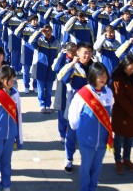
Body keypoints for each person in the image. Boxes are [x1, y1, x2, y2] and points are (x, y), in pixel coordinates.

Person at [68, 62, 114, 191]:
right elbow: (74, 116)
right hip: (87, 139)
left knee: (97, 166)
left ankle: (93, 187)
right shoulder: (83, 94)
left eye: (105, 76)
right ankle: (84, 188)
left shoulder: (108, 92)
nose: (103, 79)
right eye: (100, 76)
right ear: (93, 77)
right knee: (86, 166)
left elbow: (111, 111)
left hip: (102, 140)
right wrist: (80, 132)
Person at [57, 42, 93, 174]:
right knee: (71, 134)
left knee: (88, 135)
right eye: (85, 52)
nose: (87, 55)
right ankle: (68, 158)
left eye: (89, 52)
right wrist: (71, 64)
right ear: (78, 53)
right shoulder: (73, 67)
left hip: (90, 106)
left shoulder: (95, 67)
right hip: (74, 104)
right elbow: (62, 78)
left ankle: (86, 160)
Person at [111, 54, 133, 174]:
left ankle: (127, 158)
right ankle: (118, 160)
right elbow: (119, 98)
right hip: (122, 113)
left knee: (130, 137)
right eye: (131, 69)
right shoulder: (117, 79)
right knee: (119, 137)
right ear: (124, 67)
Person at [29, 24, 60, 112]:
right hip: (41, 67)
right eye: (46, 31)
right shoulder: (40, 41)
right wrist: (39, 32)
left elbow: (59, 54)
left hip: (51, 69)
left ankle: (48, 105)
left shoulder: (56, 42)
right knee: (41, 89)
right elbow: (31, 41)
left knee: (49, 90)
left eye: (50, 30)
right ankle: (42, 105)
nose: (48, 33)